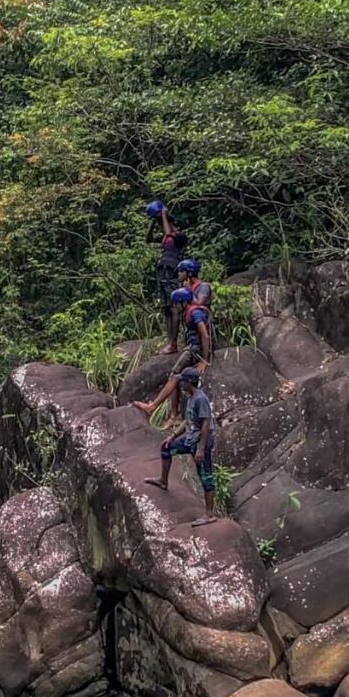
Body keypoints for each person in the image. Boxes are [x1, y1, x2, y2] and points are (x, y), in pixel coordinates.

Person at [143, 367, 218, 527]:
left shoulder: (200, 399)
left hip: (200, 442)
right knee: (167, 448)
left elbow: (205, 424)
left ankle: (209, 514)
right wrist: (173, 436)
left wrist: (201, 448)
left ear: (189, 382)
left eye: (182, 380)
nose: (180, 383)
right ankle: (163, 480)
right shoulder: (191, 398)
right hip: (189, 440)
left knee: (205, 475)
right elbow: (188, 421)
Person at [131, 286, 213, 421]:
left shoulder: (195, 313)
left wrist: (204, 360)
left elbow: (204, 335)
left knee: (174, 376)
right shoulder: (190, 310)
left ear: (183, 302)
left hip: (195, 350)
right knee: (175, 376)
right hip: (193, 347)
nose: (174, 307)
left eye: (176, 304)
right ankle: (173, 415)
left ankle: (154, 407)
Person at [148, 204, 188, 355]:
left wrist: (164, 215)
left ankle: (173, 343)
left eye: (162, 224)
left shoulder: (179, 236)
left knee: (174, 307)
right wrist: (153, 220)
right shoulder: (166, 237)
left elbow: (168, 233)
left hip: (172, 271)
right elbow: (148, 239)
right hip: (162, 272)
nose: (161, 228)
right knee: (165, 308)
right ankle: (169, 341)